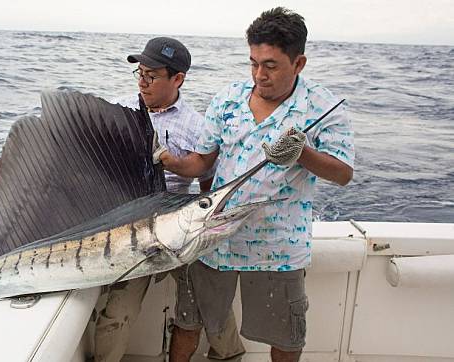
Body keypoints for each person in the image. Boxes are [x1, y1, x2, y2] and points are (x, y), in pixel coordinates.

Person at [159, 7, 355, 362]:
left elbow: (342, 173)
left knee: (286, 337)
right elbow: (202, 161)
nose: (259, 75)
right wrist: (171, 161)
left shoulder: (324, 107)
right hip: (213, 237)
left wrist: (302, 154)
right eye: (253, 63)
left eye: (271, 65)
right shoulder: (229, 98)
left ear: (299, 63)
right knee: (189, 320)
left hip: (278, 247)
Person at [93, 37, 244, 362]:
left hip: (180, 228)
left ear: (178, 79)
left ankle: (231, 355)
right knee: (116, 312)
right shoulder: (119, 112)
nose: (143, 82)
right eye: (140, 73)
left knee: (210, 298)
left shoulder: (196, 125)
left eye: (152, 75)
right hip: (129, 230)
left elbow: (207, 182)